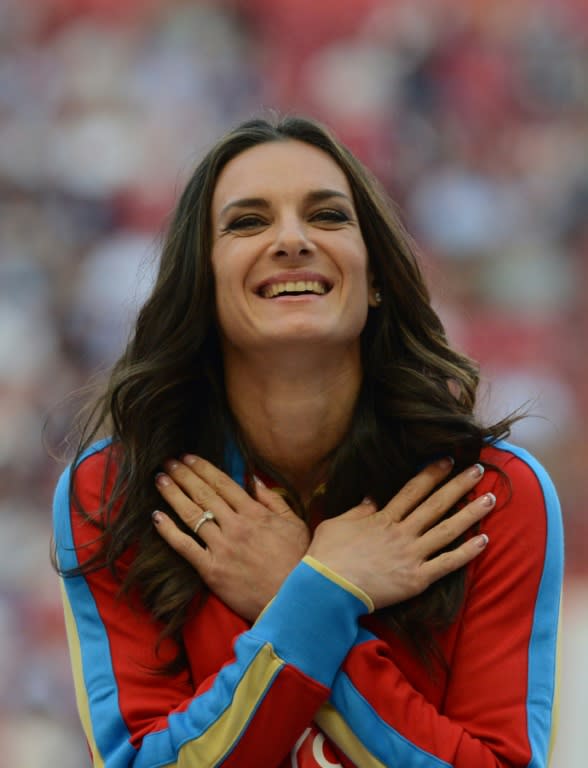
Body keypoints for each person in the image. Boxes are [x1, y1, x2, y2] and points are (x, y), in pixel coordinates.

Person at [52, 115, 563, 768]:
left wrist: (291, 591)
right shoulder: (117, 491)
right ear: (201, 283)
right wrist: (321, 592)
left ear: (375, 276)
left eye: (327, 217)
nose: (292, 240)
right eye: (247, 222)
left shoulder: (490, 495)